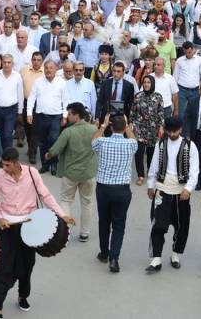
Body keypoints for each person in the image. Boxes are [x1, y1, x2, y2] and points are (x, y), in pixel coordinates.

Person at [0, 147, 73, 318]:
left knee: (27, 265)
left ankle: (23, 295)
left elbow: (45, 195)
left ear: (16, 163)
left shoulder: (32, 173)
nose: (4, 168)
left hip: (29, 227)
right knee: (2, 265)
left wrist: (62, 215)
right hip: (7, 227)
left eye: (7, 165)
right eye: (3, 164)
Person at [144, 116, 199, 274]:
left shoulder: (190, 146)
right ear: (166, 130)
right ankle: (156, 258)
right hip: (162, 189)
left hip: (181, 191)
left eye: (175, 131)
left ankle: (175, 254)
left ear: (180, 129)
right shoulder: (160, 144)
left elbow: (194, 170)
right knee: (158, 225)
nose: (172, 133)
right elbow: (153, 166)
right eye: (170, 130)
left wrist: (188, 189)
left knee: (181, 226)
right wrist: (150, 185)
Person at [91, 114, 137, 274]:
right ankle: (114, 258)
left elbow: (93, 141)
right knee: (119, 225)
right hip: (122, 189)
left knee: (104, 221)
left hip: (103, 188)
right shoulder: (130, 144)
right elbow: (133, 139)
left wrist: (103, 125)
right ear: (124, 128)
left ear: (111, 127)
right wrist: (127, 126)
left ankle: (104, 253)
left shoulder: (103, 142)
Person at [45, 102, 98, 243]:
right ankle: (84, 233)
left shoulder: (68, 132)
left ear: (76, 115)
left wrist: (48, 155)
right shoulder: (94, 129)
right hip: (88, 173)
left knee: (66, 201)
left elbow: (55, 149)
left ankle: (65, 234)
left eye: (69, 114)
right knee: (87, 202)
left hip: (70, 173)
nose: (67, 117)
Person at [27, 60, 68, 174]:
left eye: (51, 68)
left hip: (56, 117)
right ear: (43, 69)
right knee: (42, 142)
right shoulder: (38, 82)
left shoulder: (61, 82)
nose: (48, 70)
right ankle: (45, 165)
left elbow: (66, 100)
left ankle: (54, 164)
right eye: (46, 68)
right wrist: (29, 113)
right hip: (40, 116)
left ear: (56, 69)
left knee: (53, 139)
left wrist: (65, 116)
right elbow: (31, 98)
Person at [131, 75, 165, 186]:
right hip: (139, 128)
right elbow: (133, 112)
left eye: (148, 82)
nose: (146, 84)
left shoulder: (158, 97)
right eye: (144, 82)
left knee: (151, 154)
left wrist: (160, 127)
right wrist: (132, 125)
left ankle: (150, 174)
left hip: (152, 129)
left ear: (152, 84)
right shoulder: (138, 96)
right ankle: (141, 176)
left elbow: (161, 113)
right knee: (139, 153)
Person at [0, 55, 24, 152]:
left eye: (9, 62)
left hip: (11, 110)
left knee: (7, 134)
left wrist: (20, 111)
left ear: (12, 64)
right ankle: (1, 152)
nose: (6, 64)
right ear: (2, 63)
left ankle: (7, 156)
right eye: (5, 62)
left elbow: (20, 95)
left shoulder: (17, 76)